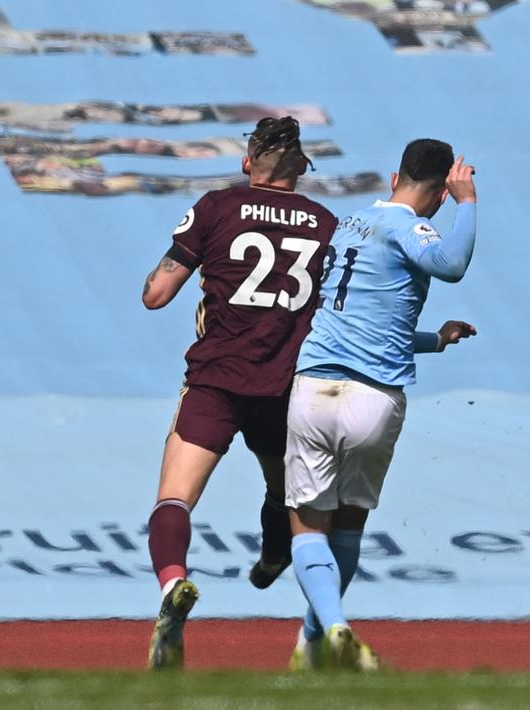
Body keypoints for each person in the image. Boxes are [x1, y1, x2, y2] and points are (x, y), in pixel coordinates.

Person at [141, 116, 339, 670]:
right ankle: (277, 559)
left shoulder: (216, 207)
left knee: (174, 497)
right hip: (283, 386)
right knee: (286, 495)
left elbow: (156, 294)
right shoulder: (325, 222)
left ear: (247, 162)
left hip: (216, 378)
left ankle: (172, 584)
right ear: (299, 168)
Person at [284, 141, 477, 671]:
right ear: (439, 192)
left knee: (306, 525)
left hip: (314, 388)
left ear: (394, 174)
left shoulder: (349, 225)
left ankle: (321, 635)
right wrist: (470, 203)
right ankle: (325, 633)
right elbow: (452, 264)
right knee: (346, 526)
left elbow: (369, 323)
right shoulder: (411, 226)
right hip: (373, 397)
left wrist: (435, 340)